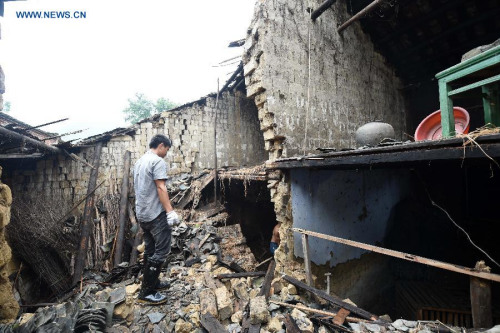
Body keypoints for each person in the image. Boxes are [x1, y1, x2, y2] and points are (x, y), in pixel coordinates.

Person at [133, 134, 180, 305]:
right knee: (161, 252)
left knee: (150, 251)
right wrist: (170, 211)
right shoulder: (157, 161)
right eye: (166, 149)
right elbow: (161, 187)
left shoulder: (140, 161)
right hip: (155, 214)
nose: (166, 153)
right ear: (161, 145)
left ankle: (152, 283)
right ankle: (147, 292)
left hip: (142, 214)